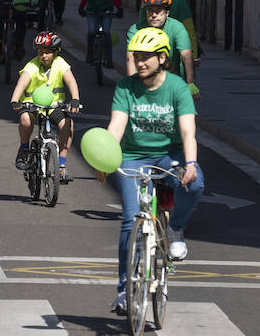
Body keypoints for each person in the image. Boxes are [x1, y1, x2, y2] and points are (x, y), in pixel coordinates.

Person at [97, 27, 203, 314]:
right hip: (131, 158)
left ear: (162, 59)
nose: (140, 62)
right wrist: (105, 159)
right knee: (131, 221)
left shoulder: (177, 87)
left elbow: (187, 130)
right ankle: (123, 291)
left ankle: (176, 228)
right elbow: (116, 126)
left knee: (195, 185)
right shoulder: (126, 87)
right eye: (137, 56)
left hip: (169, 157)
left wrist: (190, 164)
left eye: (147, 57)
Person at [9, 31, 81, 182]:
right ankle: (24, 148)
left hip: (54, 106)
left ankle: (61, 165)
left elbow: (71, 82)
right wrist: (15, 100)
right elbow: (21, 84)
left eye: (48, 52)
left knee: (68, 124)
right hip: (33, 105)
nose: (44, 56)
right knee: (25, 119)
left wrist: (75, 99)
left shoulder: (61, 64)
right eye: (40, 52)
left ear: (56, 52)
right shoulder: (32, 65)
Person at [125, 0, 198, 99]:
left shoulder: (177, 27)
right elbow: (130, 57)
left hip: (174, 80)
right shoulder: (135, 29)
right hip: (145, 82)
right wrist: (132, 83)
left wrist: (190, 82)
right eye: (150, 10)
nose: (154, 15)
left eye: (159, 11)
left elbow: (186, 55)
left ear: (167, 13)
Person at [77, 0, 124, 64]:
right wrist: (81, 7)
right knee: (92, 32)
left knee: (106, 32)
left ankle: (109, 58)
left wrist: (119, 8)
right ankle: (90, 53)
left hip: (106, 10)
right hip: (92, 10)